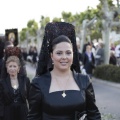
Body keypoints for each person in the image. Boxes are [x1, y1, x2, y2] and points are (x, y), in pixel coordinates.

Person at [27, 22, 101, 120]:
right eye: (59, 53)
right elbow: (33, 117)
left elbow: (94, 114)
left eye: (68, 53)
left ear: (73, 55)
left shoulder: (84, 80)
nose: (64, 57)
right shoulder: (38, 83)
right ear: (51, 56)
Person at [0, 47, 30, 120]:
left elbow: (31, 98)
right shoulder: (2, 82)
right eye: (10, 66)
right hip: (8, 114)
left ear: (18, 68)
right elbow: (1, 101)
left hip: (23, 113)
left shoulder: (25, 80)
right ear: (7, 68)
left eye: (14, 66)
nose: (12, 68)